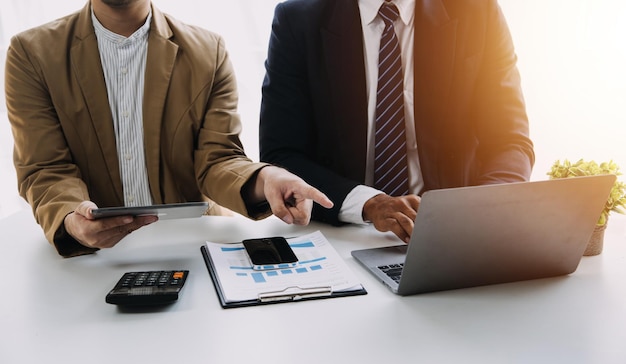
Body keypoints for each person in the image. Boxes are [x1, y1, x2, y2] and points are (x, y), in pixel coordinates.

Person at [5, 0, 333, 258]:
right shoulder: (31, 54)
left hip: (195, 248)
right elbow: (46, 168)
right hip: (97, 260)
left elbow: (218, 159)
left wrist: (267, 179)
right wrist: (70, 220)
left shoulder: (209, 51)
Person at [259, 0, 535, 244]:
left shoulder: (478, 12)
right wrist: (368, 203)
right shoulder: (298, 20)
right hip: (343, 236)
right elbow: (281, 156)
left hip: (458, 237)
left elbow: (511, 141)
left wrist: (478, 210)